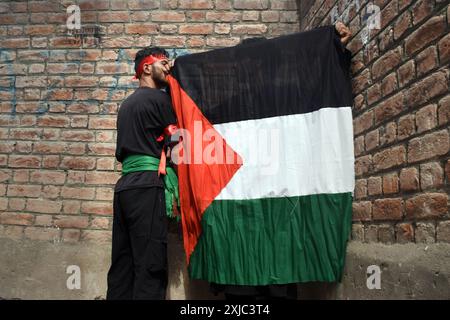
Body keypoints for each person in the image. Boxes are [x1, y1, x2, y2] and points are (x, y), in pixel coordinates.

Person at [210, 21, 353, 301]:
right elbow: (197, 116)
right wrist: (178, 83)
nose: (252, 69)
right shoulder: (226, 109)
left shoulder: (292, 97)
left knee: (278, 280)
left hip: (280, 206)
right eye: (246, 64)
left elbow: (321, 87)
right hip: (243, 207)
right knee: (243, 285)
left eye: (258, 62)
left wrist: (336, 51)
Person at [106, 47, 178, 300]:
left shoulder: (126, 105)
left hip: (124, 186)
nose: (169, 68)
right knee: (150, 264)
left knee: (122, 264)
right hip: (148, 186)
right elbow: (177, 146)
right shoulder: (160, 100)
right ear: (147, 68)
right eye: (164, 62)